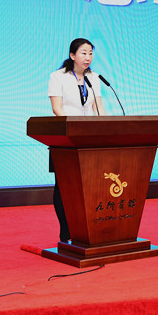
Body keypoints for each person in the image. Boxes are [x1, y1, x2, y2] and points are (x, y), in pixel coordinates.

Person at [47, 38, 106, 242]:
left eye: (90, 53)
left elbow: (98, 107)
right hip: (65, 139)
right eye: (83, 53)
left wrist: (106, 128)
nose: (88, 57)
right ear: (72, 55)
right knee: (64, 186)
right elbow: (57, 108)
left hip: (88, 139)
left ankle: (87, 230)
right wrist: (72, 129)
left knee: (89, 185)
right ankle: (66, 232)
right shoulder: (58, 77)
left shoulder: (94, 78)